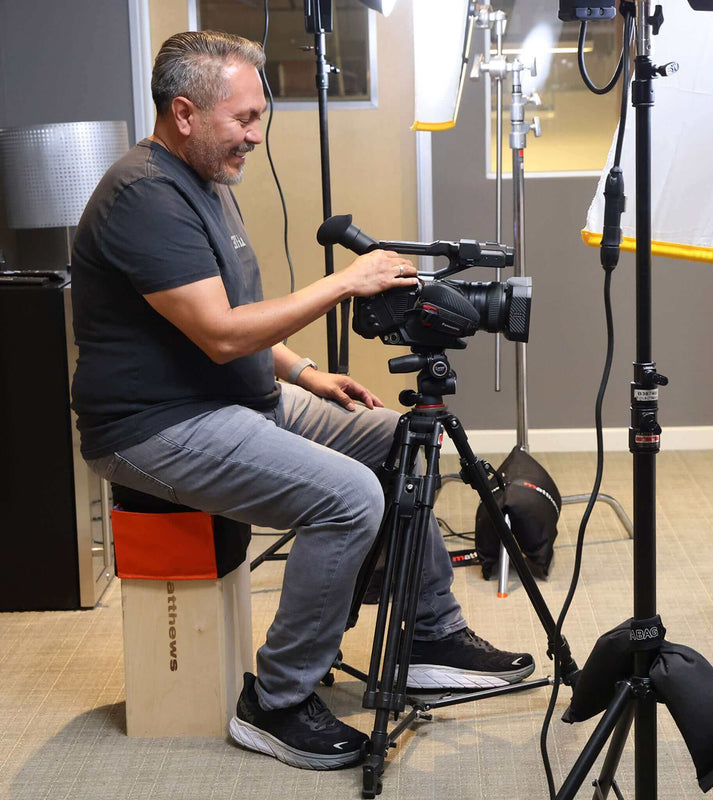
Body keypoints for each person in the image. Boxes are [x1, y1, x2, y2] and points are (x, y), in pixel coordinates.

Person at [70, 30, 534, 770]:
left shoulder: (204, 181)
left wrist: (304, 372)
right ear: (184, 113)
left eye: (261, 117)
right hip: (155, 426)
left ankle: (425, 633)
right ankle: (277, 701)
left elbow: (228, 313)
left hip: (233, 398)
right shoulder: (144, 196)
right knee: (350, 497)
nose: (256, 136)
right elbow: (220, 334)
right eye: (243, 119)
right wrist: (344, 282)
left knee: (401, 434)